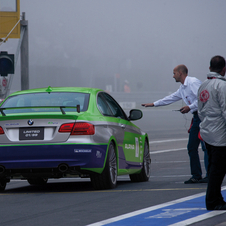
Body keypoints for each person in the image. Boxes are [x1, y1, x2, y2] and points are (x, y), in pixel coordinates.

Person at [142, 64, 208, 184]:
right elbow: (170, 98)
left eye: (174, 73)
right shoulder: (182, 88)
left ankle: (210, 175)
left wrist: (190, 107)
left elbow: (203, 98)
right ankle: (196, 175)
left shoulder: (193, 82)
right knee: (191, 147)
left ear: (180, 73)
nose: (173, 76)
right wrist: (153, 104)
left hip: (204, 117)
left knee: (206, 147)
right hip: (196, 118)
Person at [198, 55, 226, 210]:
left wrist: (207, 125)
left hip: (207, 131)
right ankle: (213, 201)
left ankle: (216, 198)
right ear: (224, 69)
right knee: (218, 170)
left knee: (214, 169)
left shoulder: (203, 85)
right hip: (220, 134)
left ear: (210, 68)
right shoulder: (222, 86)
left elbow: (200, 111)